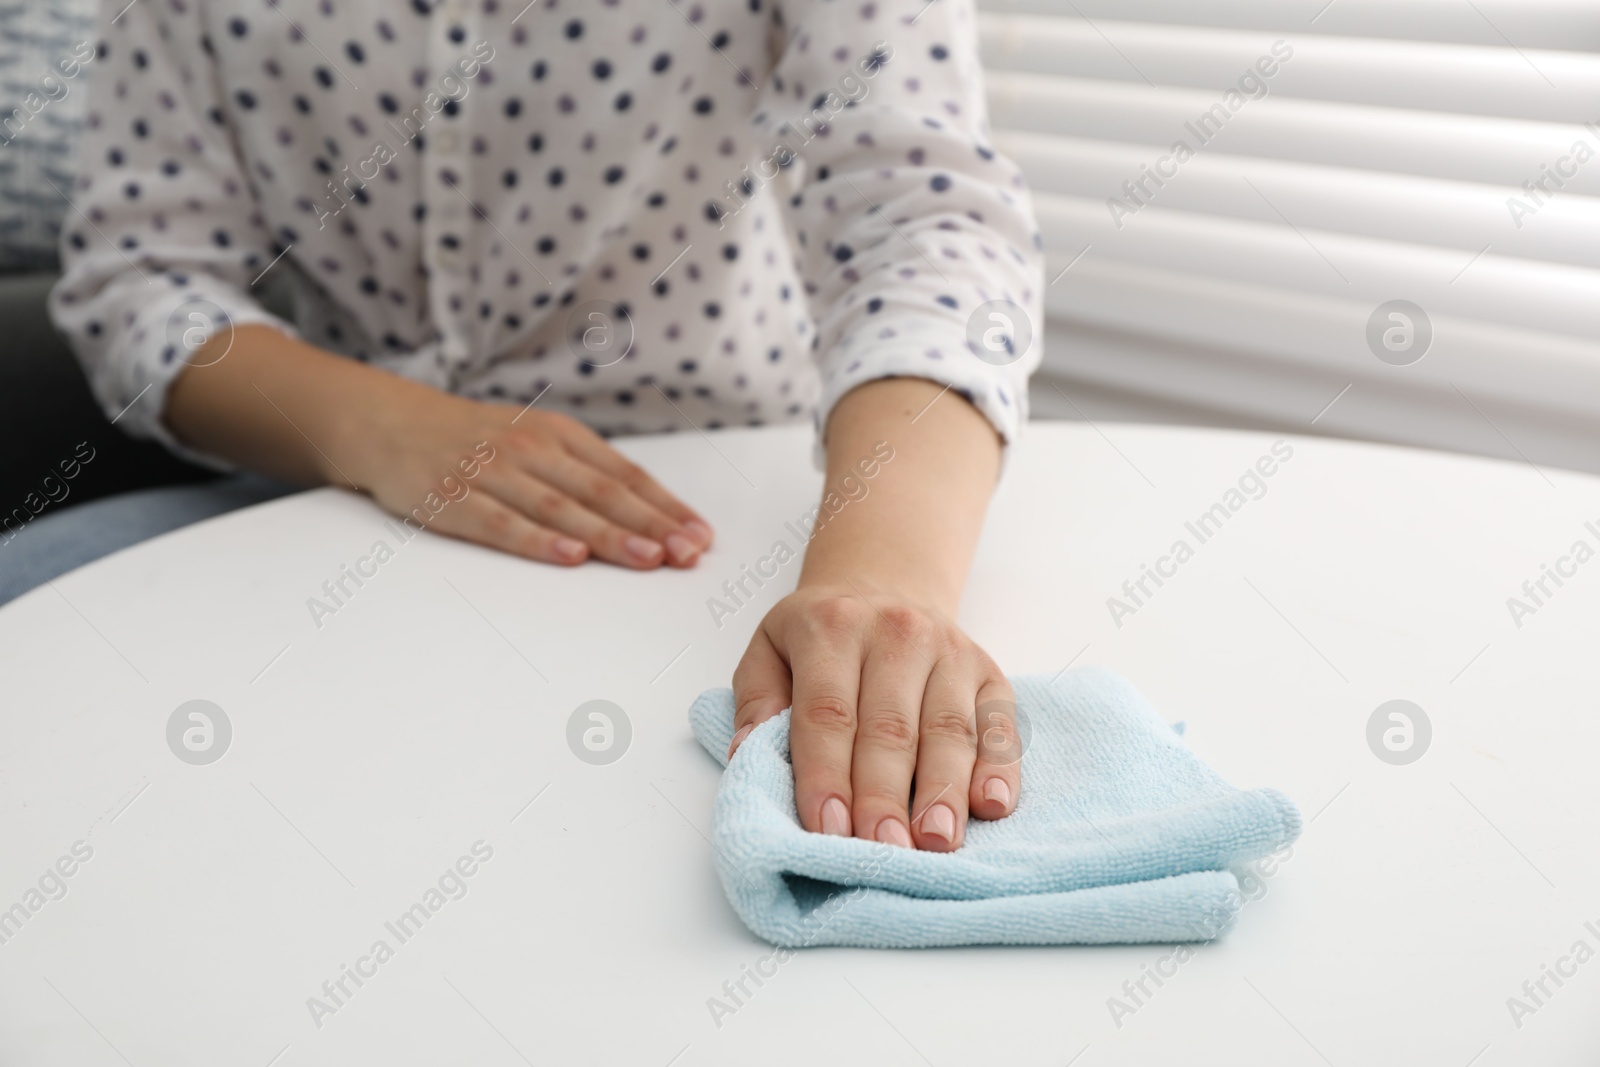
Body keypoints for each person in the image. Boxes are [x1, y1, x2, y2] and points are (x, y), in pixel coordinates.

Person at [45, 0, 1043, 852]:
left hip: (705, 494)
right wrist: (385, 428)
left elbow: (924, 223)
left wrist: (879, 585)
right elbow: (139, 272)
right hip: (325, 480)